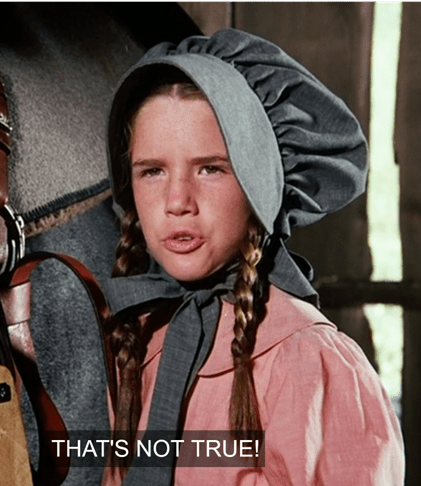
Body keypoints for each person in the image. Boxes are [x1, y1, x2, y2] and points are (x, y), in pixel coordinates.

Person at [101, 28, 405, 485]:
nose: (177, 201)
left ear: (257, 184)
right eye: (152, 171)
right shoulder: (138, 341)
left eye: (210, 168)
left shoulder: (312, 363)